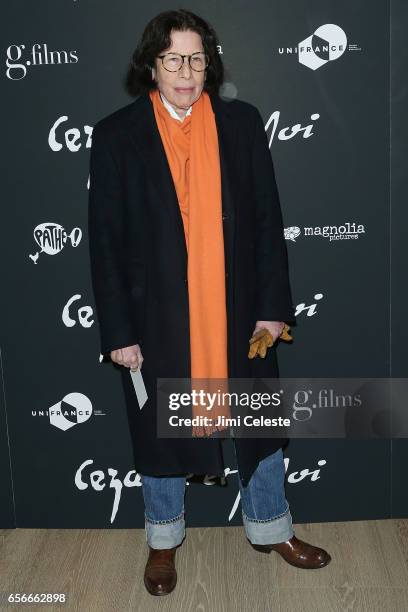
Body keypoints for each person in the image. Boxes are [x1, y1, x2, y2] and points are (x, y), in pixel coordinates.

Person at [88, 8, 331, 597]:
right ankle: (164, 541)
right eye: (173, 58)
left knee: (258, 422)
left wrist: (273, 306)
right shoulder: (118, 134)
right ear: (151, 63)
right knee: (160, 431)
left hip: (238, 309)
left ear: (209, 64)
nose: (186, 71)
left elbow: (268, 222)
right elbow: (105, 243)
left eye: (196, 58)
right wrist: (119, 330)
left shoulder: (242, 124)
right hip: (157, 316)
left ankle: (272, 526)